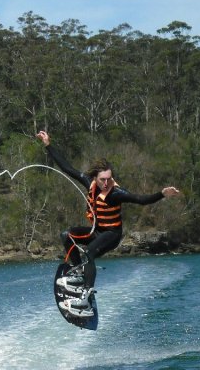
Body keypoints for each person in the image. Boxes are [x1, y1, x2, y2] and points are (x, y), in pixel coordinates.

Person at [36, 130, 180, 316]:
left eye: (109, 179)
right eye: (102, 179)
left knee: (89, 253)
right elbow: (67, 168)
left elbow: (141, 200)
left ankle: (86, 297)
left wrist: (161, 194)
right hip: (98, 231)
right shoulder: (90, 183)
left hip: (112, 235)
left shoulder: (116, 193)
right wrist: (48, 145)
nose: (106, 183)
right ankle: (79, 275)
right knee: (66, 235)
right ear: (95, 178)